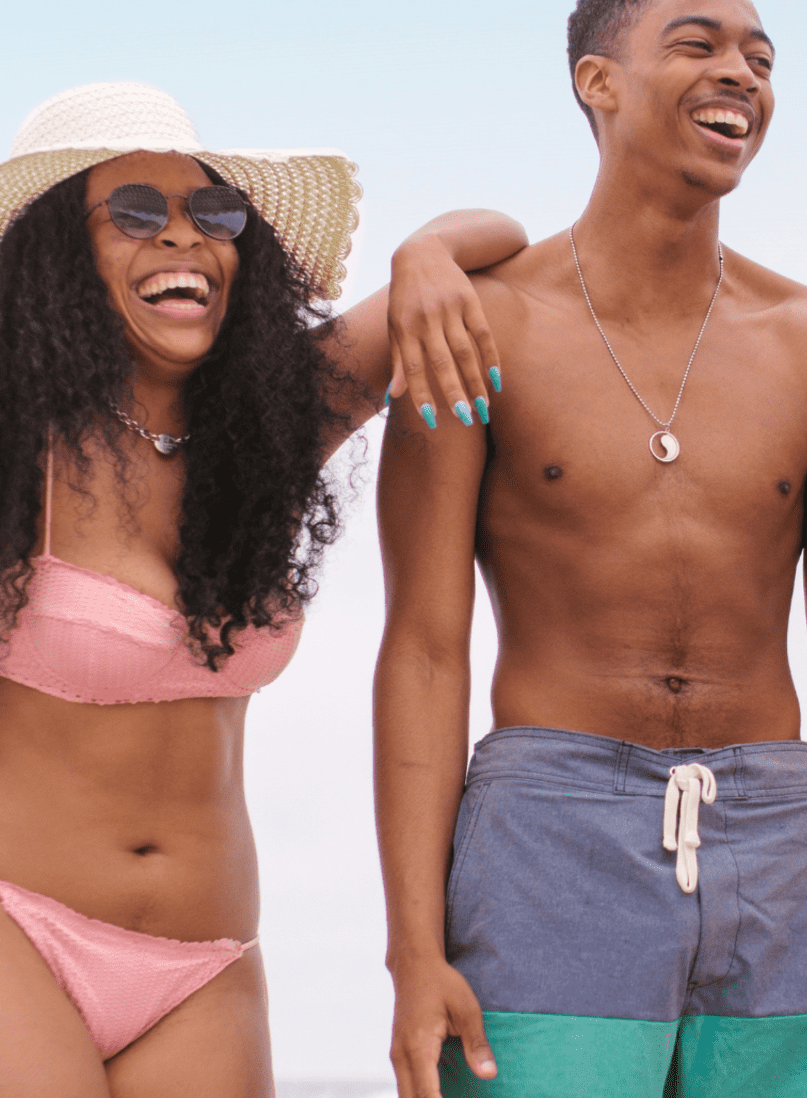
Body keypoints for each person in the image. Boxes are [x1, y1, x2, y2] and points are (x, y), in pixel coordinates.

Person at [374, 0, 807, 1098]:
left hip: (782, 842)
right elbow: (427, 650)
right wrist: (411, 951)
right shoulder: (480, 326)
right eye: (698, 44)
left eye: (761, 58)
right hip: (549, 830)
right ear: (598, 81)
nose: (740, 73)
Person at [0, 81, 523, 1096]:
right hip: (18, 926)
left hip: (207, 964)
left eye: (216, 213)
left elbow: (500, 237)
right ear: (59, 254)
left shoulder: (270, 430)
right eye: (138, 213)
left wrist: (422, 253)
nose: (184, 239)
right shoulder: (18, 451)